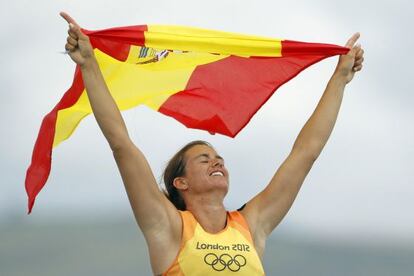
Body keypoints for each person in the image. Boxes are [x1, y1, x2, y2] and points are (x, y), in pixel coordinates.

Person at [60, 12, 364, 275]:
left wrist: (339, 79)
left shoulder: (252, 225)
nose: (217, 161)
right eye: (204, 159)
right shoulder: (167, 227)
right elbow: (121, 144)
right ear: (180, 182)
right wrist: (88, 64)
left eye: (218, 157)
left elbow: (305, 154)